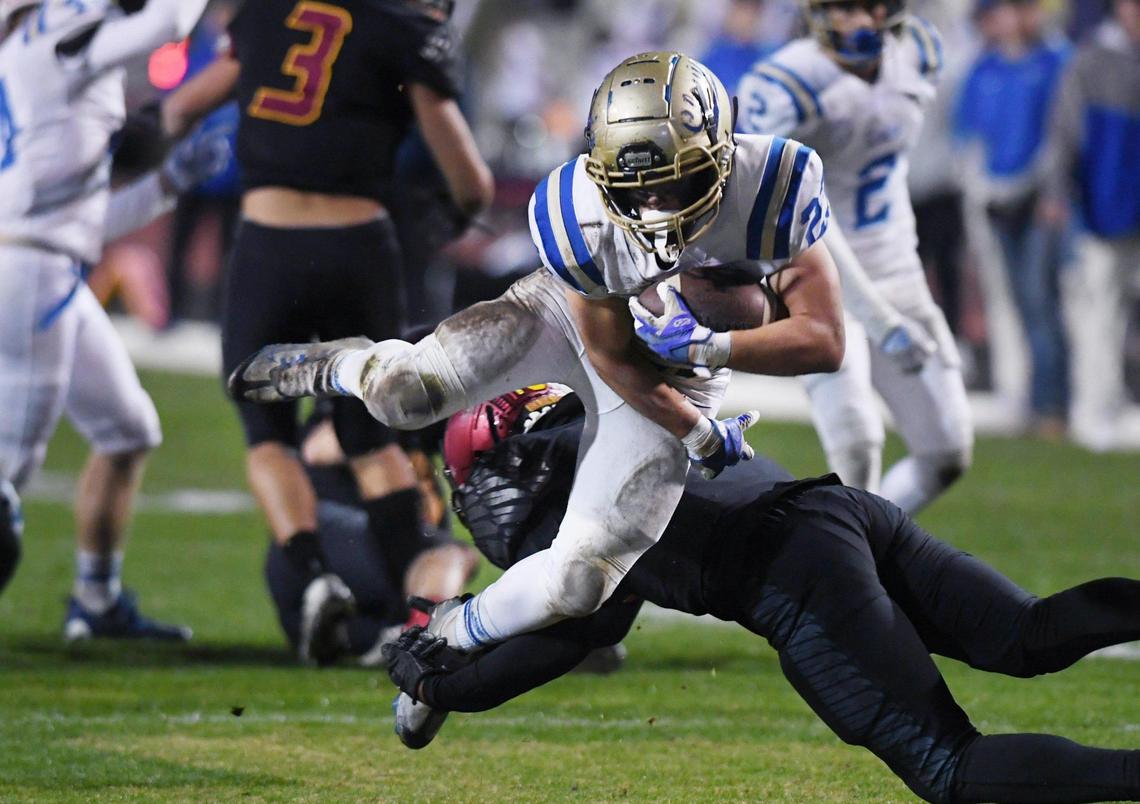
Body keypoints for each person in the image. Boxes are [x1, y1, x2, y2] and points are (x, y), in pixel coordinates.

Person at [229, 52, 845, 657]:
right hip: (575, 316)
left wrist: (716, 344)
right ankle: (344, 365)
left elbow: (826, 340)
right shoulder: (580, 212)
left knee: (582, 581)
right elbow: (608, 352)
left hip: (683, 371)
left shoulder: (774, 186)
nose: (657, 208)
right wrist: (698, 434)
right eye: (637, 191)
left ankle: (449, 633)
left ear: (722, 143)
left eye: (674, 180)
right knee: (403, 397)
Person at [383, 387, 1140, 804]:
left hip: (793, 572)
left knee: (949, 767)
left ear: (508, 457)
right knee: (1025, 632)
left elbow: (572, 630)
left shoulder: (565, 496)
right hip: (843, 511)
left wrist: (438, 678)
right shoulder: (624, 408)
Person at [161, 0, 495, 663]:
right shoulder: (405, 25)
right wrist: (462, 212)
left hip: (267, 245)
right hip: (357, 248)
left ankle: (312, 575)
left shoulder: (266, 12)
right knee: (371, 438)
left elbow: (180, 108)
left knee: (268, 434)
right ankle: (415, 613)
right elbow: (469, 176)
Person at [0, 0, 225, 640]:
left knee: (128, 430)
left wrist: (167, 184)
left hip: (44, 261)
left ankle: (95, 601)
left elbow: (76, 223)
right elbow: (168, 24)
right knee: (8, 474)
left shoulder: (37, 62)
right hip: (27, 271)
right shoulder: (50, 42)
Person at [737, 0, 974, 513]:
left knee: (947, 450)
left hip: (897, 268)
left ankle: (860, 548)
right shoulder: (784, 83)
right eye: (847, 7)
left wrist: (901, 305)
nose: (863, 21)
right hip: (817, 280)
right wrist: (880, 319)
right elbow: (800, 215)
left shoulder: (917, 52)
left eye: (873, 6)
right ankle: (849, 571)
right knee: (858, 447)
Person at [265, 402, 480, 665]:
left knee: (393, 615)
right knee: (451, 555)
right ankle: (425, 634)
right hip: (325, 550)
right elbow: (321, 447)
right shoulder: (357, 413)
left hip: (370, 573)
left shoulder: (425, 422)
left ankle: (375, 634)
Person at [955, 0, 1072, 438]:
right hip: (996, 202)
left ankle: (1053, 404)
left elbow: (1058, 136)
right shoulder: (984, 69)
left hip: (1041, 201)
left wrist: (1026, 187)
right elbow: (969, 137)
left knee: (1042, 300)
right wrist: (983, 187)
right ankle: (1021, 397)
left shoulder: (1056, 62)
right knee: (1009, 304)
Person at [1039, 0, 1140, 452]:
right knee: (1099, 316)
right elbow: (1064, 134)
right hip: (1105, 209)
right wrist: (1059, 193)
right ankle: (1096, 413)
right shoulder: (1091, 63)